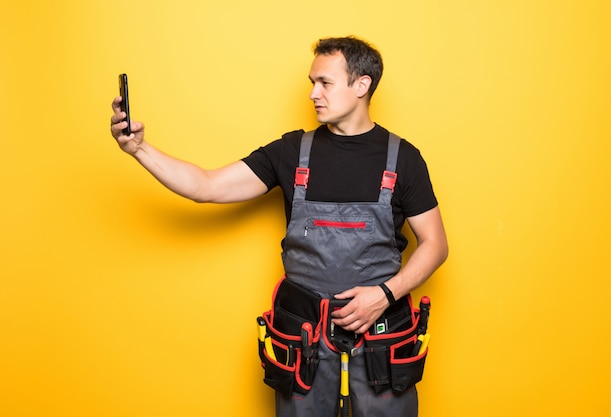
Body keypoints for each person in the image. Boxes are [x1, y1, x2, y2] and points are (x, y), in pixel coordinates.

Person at [110, 36, 448, 417]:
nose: (312, 94)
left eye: (324, 83)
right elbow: (206, 186)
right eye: (311, 82)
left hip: (381, 340)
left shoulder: (404, 157)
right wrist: (139, 149)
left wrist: (385, 294)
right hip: (302, 339)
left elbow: (435, 244)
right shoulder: (290, 153)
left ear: (361, 85)